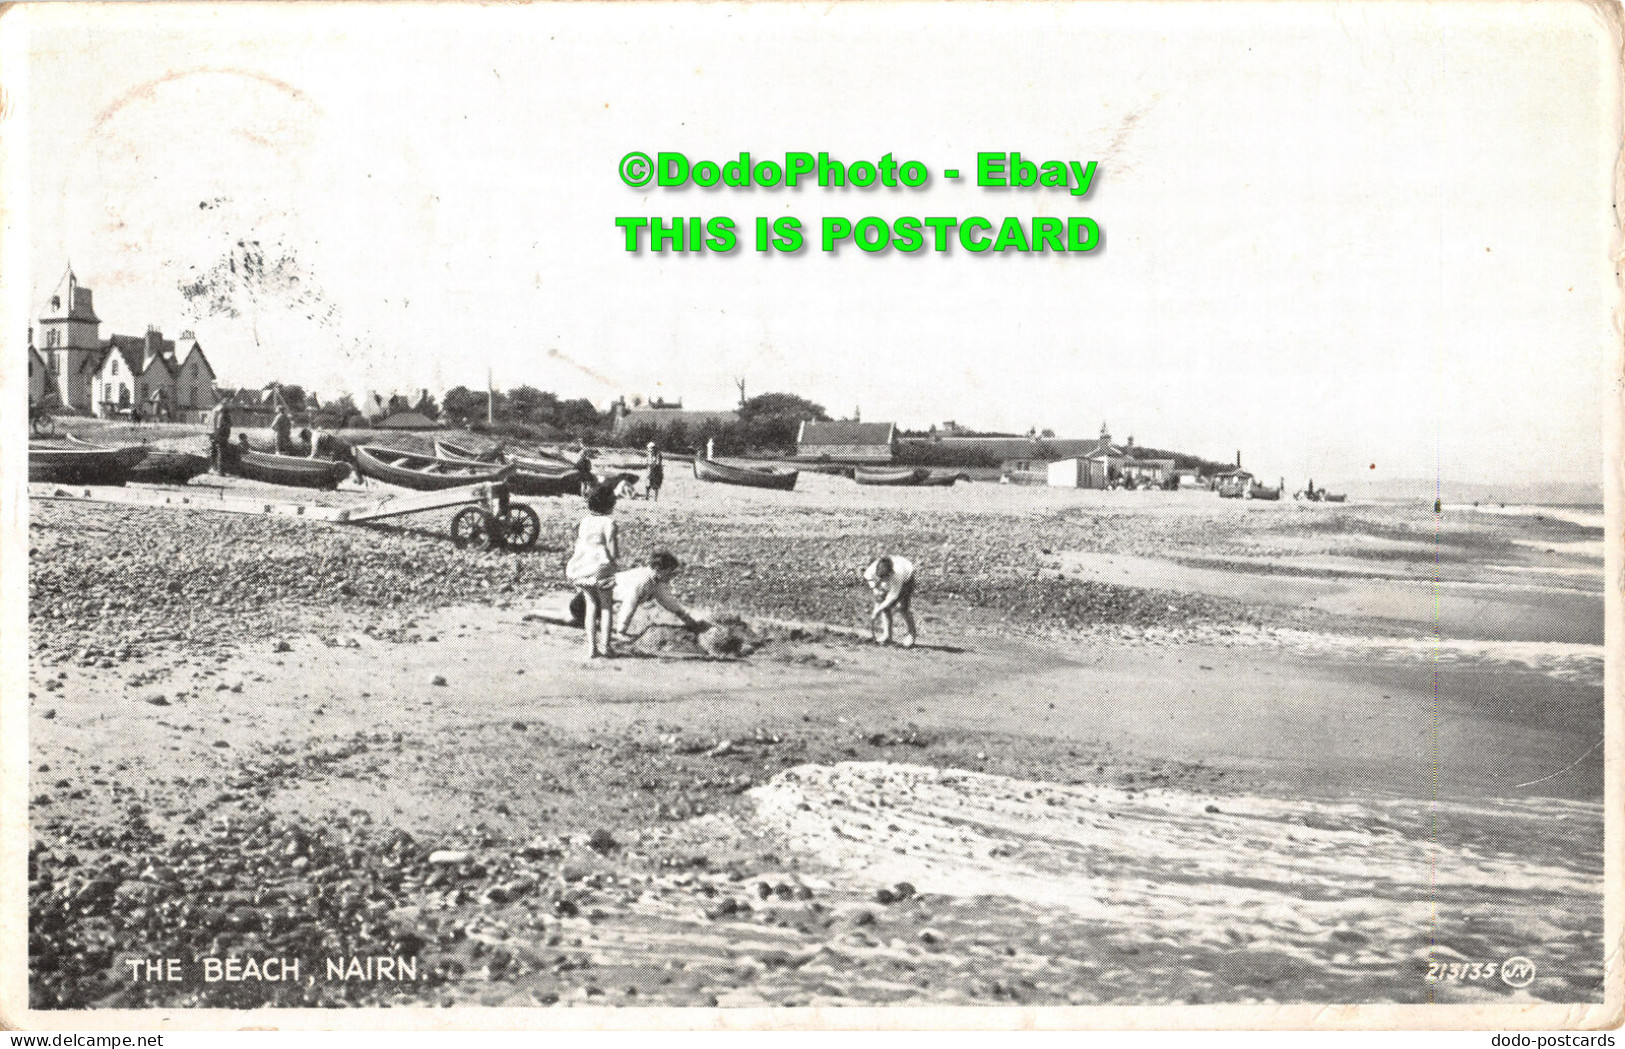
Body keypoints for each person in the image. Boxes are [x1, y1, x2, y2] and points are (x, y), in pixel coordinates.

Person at [566, 483, 619, 658]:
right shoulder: (609, 523)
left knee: (591, 606)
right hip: (602, 568)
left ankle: (591, 648)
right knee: (606, 607)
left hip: (583, 567)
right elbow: (613, 552)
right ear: (609, 504)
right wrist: (615, 564)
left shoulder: (584, 521)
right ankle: (606, 646)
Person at [864, 554, 917, 648]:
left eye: (885, 578)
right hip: (893, 575)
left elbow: (892, 597)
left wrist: (877, 610)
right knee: (884, 606)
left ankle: (911, 635)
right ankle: (887, 635)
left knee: (903, 607)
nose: (883, 581)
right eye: (881, 578)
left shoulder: (898, 575)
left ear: (891, 573)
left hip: (907, 577)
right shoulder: (872, 569)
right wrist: (875, 590)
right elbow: (868, 577)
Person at [208, 400, 233, 474]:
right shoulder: (223, 414)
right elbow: (221, 425)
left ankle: (213, 468)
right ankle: (220, 470)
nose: (231, 407)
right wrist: (218, 434)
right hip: (221, 435)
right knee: (221, 452)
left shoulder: (215, 411)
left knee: (214, 452)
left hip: (214, 434)